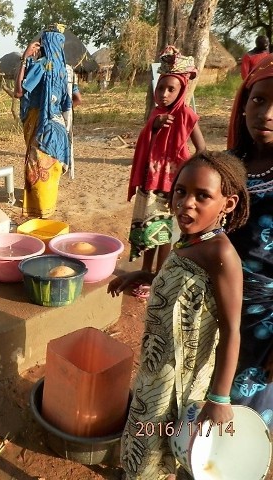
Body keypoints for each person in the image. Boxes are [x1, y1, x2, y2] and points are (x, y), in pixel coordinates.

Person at [108, 150, 249, 479]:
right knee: (146, 437)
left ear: (227, 204)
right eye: (181, 191)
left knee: (165, 444)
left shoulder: (221, 254)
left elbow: (231, 330)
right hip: (156, 368)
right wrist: (142, 277)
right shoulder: (187, 238)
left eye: (203, 196)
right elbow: (183, 285)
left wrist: (219, 397)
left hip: (180, 380)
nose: (186, 203)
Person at [126, 46, 205, 298]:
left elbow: (201, 149)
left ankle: (157, 277)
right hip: (150, 183)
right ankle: (145, 271)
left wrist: (188, 175)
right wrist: (153, 126)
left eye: (171, 89)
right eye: (161, 88)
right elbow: (144, 146)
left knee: (163, 232)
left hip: (171, 186)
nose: (164, 94)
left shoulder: (186, 115)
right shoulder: (156, 115)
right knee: (148, 229)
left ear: (182, 90)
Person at [227, 54, 273, 430]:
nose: (267, 113)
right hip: (209, 309)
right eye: (259, 100)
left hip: (263, 325)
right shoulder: (226, 165)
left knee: (241, 417)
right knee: (196, 401)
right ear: (244, 104)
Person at [14, 24, 72, 219]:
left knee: (36, 171)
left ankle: (40, 218)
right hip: (59, 130)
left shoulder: (42, 66)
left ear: (44, 44)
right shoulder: (63, 71)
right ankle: (48, 213)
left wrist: (24, 59)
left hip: (43, 129)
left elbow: (19, 92)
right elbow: (68, 103)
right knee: (51, 171)